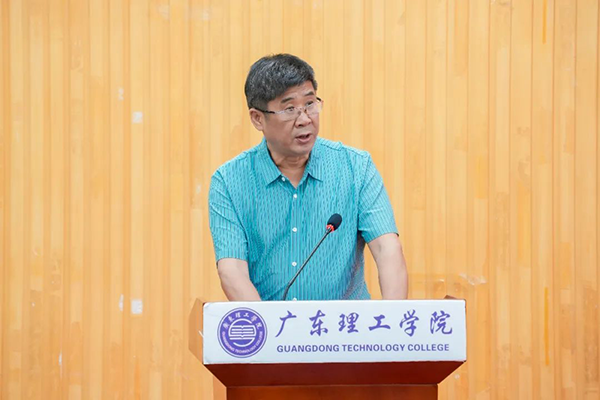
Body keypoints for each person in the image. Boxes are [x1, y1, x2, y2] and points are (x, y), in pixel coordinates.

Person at [209, 54, 408, 301]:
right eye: (289, 109)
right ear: (258, 118)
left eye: (310, 104)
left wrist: (392, 319)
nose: (304, 119)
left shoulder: (356, 167)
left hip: (346, 324)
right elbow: (232, 271)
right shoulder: (229, 181)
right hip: (274, 323)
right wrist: (268, 325)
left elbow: (387, 248)